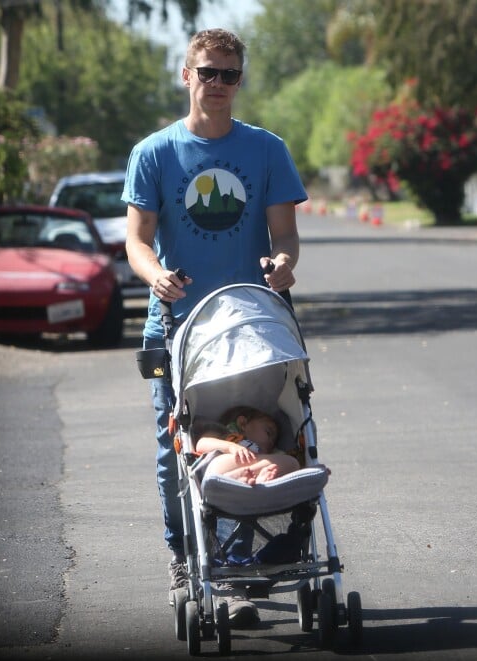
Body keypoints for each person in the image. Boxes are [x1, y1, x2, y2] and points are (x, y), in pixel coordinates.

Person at [122, 27, 307, 628]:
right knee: (175, 445)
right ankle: (185, 558)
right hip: (174, 325)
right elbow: (137, 241)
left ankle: (244, 555)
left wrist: (282, 265)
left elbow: (285, 237)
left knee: (264, 433)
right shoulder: (155, 153)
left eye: (230, 74)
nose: (219, 85)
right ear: (187, 76)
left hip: (251, 325)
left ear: (240, 80)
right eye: (209, 72)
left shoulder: (266, 150)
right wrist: (156, 277)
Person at [195, 406, 301, 485]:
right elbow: (201, 444)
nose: (270, 443)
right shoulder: (226, 434)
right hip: (219, 467)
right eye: (268, 433)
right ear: (243, 423)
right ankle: (229, 478)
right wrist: (231, 447)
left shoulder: (265, 454)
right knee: (291, 463)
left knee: (293, 463)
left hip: (249, 477)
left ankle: (251, 481)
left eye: (273, 443)